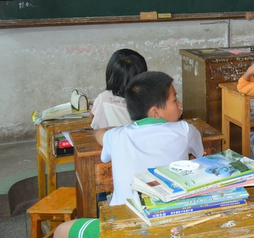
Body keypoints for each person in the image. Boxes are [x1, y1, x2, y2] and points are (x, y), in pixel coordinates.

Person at [54, 71, 204, 238]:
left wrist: (113, 129)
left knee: (62, 230)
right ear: (155, 112)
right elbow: (199, 154)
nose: (180, 105)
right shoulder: (185, 130)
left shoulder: (117, 135)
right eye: (175, 100)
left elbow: (99, 135)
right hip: (168, 225)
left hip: (121, 227)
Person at [90, 48, 148, 129]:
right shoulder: (148, 99)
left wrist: (92, 111)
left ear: (110, 74)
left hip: (113, 136)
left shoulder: (104, 98)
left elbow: (96, 122)